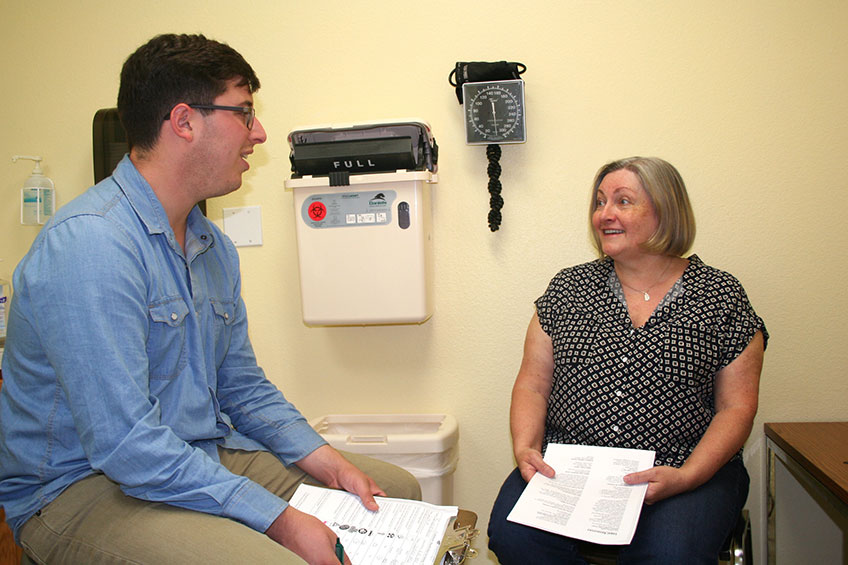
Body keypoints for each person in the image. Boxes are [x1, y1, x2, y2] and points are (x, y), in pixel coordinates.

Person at [0, 33, 419, 564]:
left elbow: (242, 387)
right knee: (278, 557)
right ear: (184, 122)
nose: (259, 133)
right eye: (245, 113)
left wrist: (328, 462)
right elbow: (126, 444)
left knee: (395, 493)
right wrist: (280, 521)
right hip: (85, 486)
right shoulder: (91, 244)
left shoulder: (212, 247)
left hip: (196, 454)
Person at [487, 157, 767, 564]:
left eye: (623, 201)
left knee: (669, 553)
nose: (605, 214)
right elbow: (533, 383)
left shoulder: (719, 296)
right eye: (600, 202)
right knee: (514, 537)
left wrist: (688, 475)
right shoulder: (569, 288)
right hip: (573, 468)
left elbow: (736, 406)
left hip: (683, 469)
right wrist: (526, 446)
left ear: (666, 210)